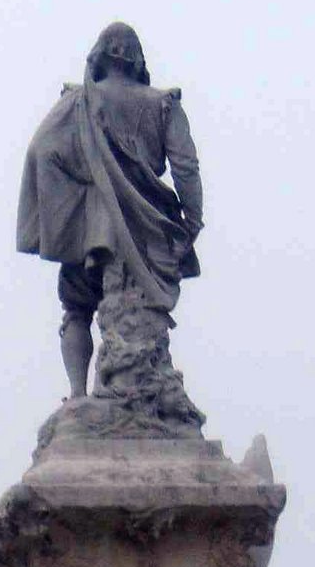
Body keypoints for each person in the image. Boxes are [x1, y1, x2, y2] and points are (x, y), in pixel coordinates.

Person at [18, 23, 204, 399]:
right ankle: (140, 394)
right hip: (149, 224)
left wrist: (74, 195)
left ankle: (79, 396)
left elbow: (41, 151)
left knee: (76, 309)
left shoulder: (80, 102)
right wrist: (191, 221)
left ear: (101, 55)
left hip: (94, 229)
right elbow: (186, 168)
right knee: (143, 311)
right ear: (137, 60)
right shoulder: (163, 104)